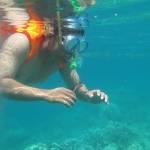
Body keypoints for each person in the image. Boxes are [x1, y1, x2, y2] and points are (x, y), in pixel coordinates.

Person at [0, 0, 108, 107]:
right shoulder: (21, 42)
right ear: (54, 36)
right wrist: (46, 94)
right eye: (68, 44)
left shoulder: (61, 54)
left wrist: (87, 95)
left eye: (73, 45)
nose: (70, 53)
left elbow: (76, 86)